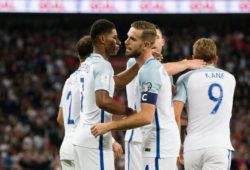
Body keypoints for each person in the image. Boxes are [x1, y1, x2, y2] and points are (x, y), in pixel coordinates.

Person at [91, 20, 181, 170]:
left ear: (146, 45)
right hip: (156, 143)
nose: (125, 42)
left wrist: (109, 126)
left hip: (159, 144)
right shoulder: (146, 68)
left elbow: (146, 117)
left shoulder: (149, 71)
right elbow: (117, 82)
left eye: (132, 39)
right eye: (127, 37)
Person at [124, 25, 205, 170]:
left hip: (161, 140)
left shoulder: (166, 73)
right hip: (137, 137)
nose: (154, 40)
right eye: (151, 36)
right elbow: (158, 69)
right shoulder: (134, 63)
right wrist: (185, 63)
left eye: (157, 37)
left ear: (162, 43)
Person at [72, 19, 139, 170]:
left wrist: (140, 64)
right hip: (95, 139)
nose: (119, 42)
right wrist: (129, 112)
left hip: (82, 137)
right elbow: (103, 101)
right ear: (102, 39)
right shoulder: (103, 64)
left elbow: (115, 83)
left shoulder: (88, 64)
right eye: (114, 37)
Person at [57, 35, 123, 170]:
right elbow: (91, 112)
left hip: (67, 147)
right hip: (87, 144)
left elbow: (60, 119)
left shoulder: (69, 80)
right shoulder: (94, 73)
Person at [173, 38, 236, 170]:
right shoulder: (231, 79)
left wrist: (177, 145)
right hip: (219, 147)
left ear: (193, 58)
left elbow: (175, 115)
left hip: (192, 147)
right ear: (216, 59)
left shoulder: (184, 79)